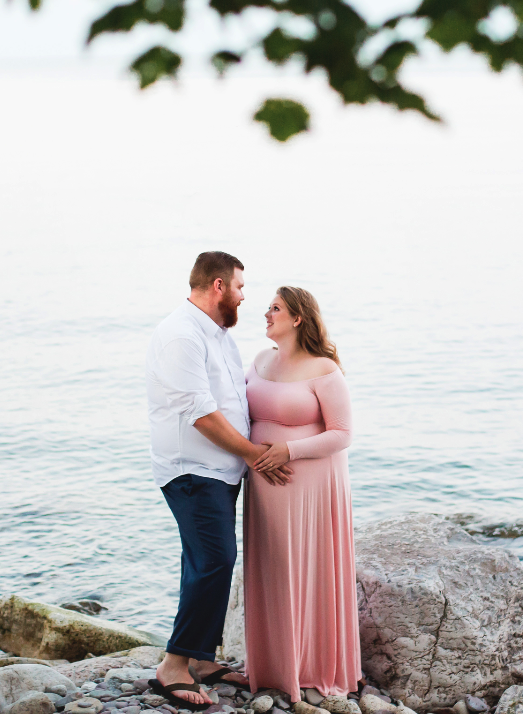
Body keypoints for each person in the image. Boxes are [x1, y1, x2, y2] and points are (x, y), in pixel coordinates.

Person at [145, 252, 294, 711]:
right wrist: (255, 456)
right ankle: (173, 665)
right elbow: (200, 415)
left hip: (220, 471)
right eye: (241, 288)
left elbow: (236, 397)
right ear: (217, 286)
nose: (245, 297)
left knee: (205, 561)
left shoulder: (219, 335)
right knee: (215, 559)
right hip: (193, 470)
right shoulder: (181, 336)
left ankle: (201, 659)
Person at [243, 286, 362, 699]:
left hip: (309, 486)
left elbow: (342, 434)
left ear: (297, 318)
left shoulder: (324, 368)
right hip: (263, 486)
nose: (266, 314)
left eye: (274, 308)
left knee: (309, 570)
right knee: (271, 569)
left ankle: (311, 669)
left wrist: (287, 451)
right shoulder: (259, 361)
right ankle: (272, 668)